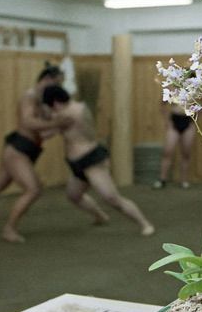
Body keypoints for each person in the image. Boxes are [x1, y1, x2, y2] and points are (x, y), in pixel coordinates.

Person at [0, 63, 67, 243]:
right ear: (47, 79)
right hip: (18, 150)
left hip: (27, 150)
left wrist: (58, 128)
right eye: (56, 83)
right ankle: (9, 230)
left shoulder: (42, 101)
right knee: (33, 189)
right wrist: (56, 124)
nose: (58, 87)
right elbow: (28, 123)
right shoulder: (30, 97)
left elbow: (40, 133)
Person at [42, 85, 155, 236]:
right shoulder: (76, 107)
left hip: (91, 160)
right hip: (77, 163)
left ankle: (144, 223)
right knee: (74, 195)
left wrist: (42, 118)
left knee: (112, 198)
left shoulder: (69, 113)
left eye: (51, 106)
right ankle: (100, 216)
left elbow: (47, 133)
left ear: (55, 103)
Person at [152, 102, 196, 189]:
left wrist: (195, 118)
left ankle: (184, 180)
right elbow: (162, 104)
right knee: (167, 152)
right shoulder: (172, 88)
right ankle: (162, 179)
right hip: (174, 120)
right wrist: (167, 120)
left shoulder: (195, 89)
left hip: (188, 120)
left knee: (186, 153)